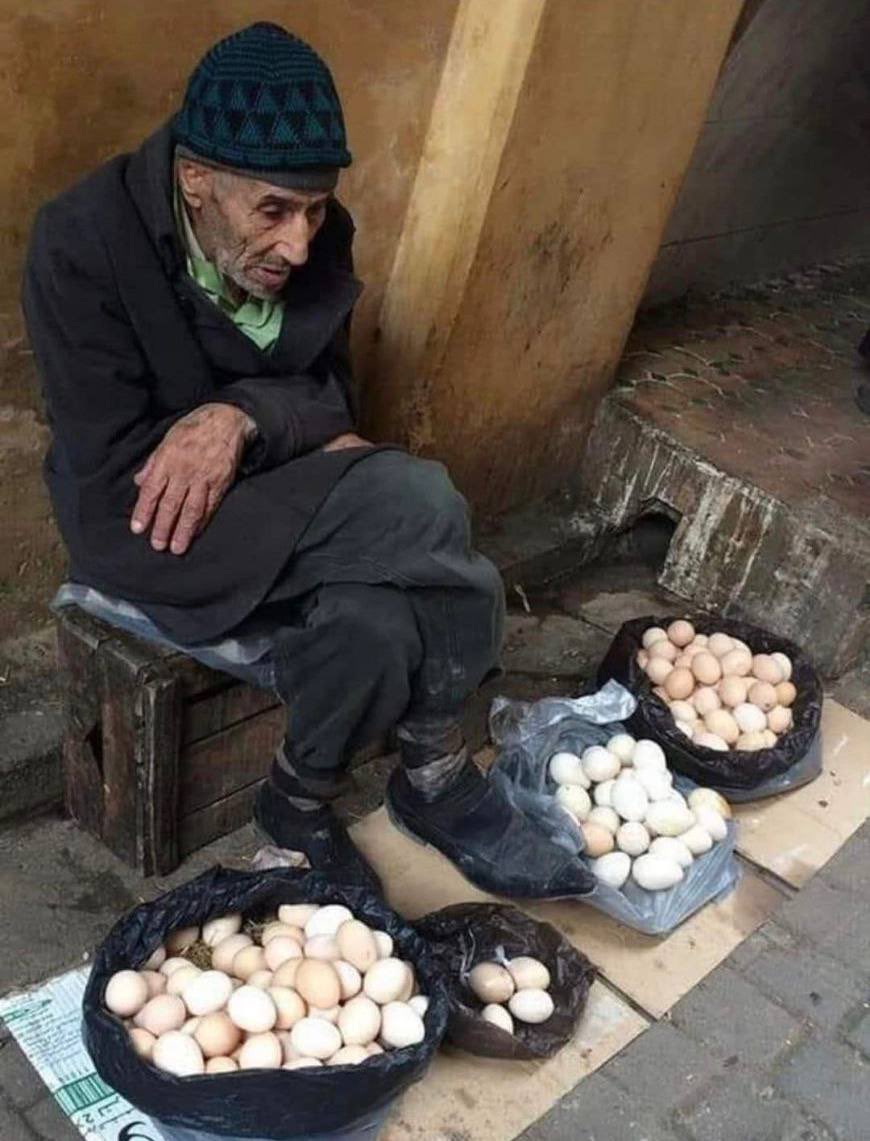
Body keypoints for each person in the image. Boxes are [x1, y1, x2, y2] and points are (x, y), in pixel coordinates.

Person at [23, 23, 593, 900]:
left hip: (274, 487)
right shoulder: (81, 243)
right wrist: (286, 439)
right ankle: (434, 772)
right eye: (275, 213)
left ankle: (295, 804)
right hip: (145, 516)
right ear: (196, 181)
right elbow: (117, 455)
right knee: (420, 501)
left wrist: (242, 415)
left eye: (314, 210)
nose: (298, 242)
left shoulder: (319, 232)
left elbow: (331, 395)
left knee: (378, 621)